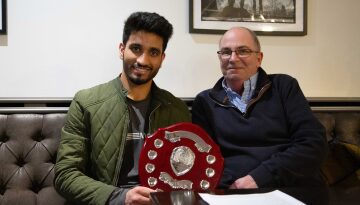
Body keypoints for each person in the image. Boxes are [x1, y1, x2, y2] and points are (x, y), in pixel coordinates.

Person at [54, 12, 191, 205]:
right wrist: (120, 197)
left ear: (162, 58)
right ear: (121, 49)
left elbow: (186, 171)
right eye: (136, 48)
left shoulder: (177, 109)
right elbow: (65, 175)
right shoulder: (86, 103)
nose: (143, 60)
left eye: (153, 52)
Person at [192, 27, 328, 200]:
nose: (233, 59)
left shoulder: (284, 87)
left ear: (259, 58)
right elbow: (206, 160)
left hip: (290, 189)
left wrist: (259, 178)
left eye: (243, 51)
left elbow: (313, 144)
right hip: (232, 194)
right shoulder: (205, 102)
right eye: (226, 52)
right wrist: (233, 189)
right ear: (220, 58)